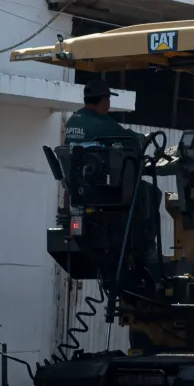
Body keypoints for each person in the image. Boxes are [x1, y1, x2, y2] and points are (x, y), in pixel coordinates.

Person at [64, 78, 161, 261]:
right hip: (101, 191)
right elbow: (129, 138)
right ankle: (146, 248)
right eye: (108, 99)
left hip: (80, 190)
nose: (109, 104)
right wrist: (143, 138)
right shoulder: (101, 123)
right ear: (102, 100)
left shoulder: (73, 121)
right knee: (151, 192)